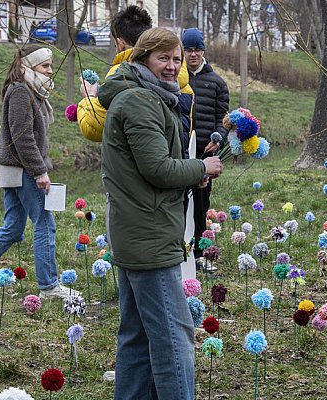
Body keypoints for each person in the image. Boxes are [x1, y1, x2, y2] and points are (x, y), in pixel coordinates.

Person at [98, 27, 223, 399]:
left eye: (176, 59)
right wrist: (202, 169)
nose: (171, 67)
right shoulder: (140, 101)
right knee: (173, 337)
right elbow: (158, 168)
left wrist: (189, 177)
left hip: (138, 231)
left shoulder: (143, 95)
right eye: (162, 58)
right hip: (149, 236)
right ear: (142, 59)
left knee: (136, 337)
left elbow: (149, 172)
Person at [0, 45, 78, 300]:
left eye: (50, 65)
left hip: (16, 169)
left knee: (13, 228)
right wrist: (39, 171)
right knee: (44, 222)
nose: (50, 70)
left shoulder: (30, 91)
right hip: (23, 169)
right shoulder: (20, 92)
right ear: (30, 66)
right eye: (44, 66)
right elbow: (22, 137)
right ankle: (49, 287)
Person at [76, 5, 195, 144]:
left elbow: (95, 128)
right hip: (181, 159)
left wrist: (88, 97)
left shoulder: (123, 74)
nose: (170, 66)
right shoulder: (180, 77)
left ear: (120, 43)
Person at [181, 27, 228, 268]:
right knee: (180, 204)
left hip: (205, 152)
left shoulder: (217, 82)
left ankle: (200, 255)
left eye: (197, 50)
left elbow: (223, 118)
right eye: (188, 50)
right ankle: (180, 252)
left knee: (201, 205)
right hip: (179, 152)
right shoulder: (176, 78)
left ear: (203, 51)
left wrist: (218, 136)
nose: (192, 55)